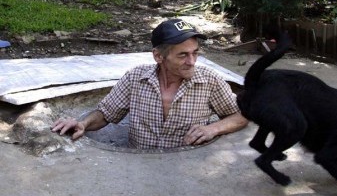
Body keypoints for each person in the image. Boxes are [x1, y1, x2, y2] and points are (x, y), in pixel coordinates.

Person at [51, 18, 248, 149]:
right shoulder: (135, 78)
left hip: (186, 169)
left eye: (195, 53)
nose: (192, 61)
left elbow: (242, 115)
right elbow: (105, 113)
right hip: (138, 169)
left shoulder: (210, 81)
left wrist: (213, 129)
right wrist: (82, 123)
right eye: (182, 55)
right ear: (158, 56)